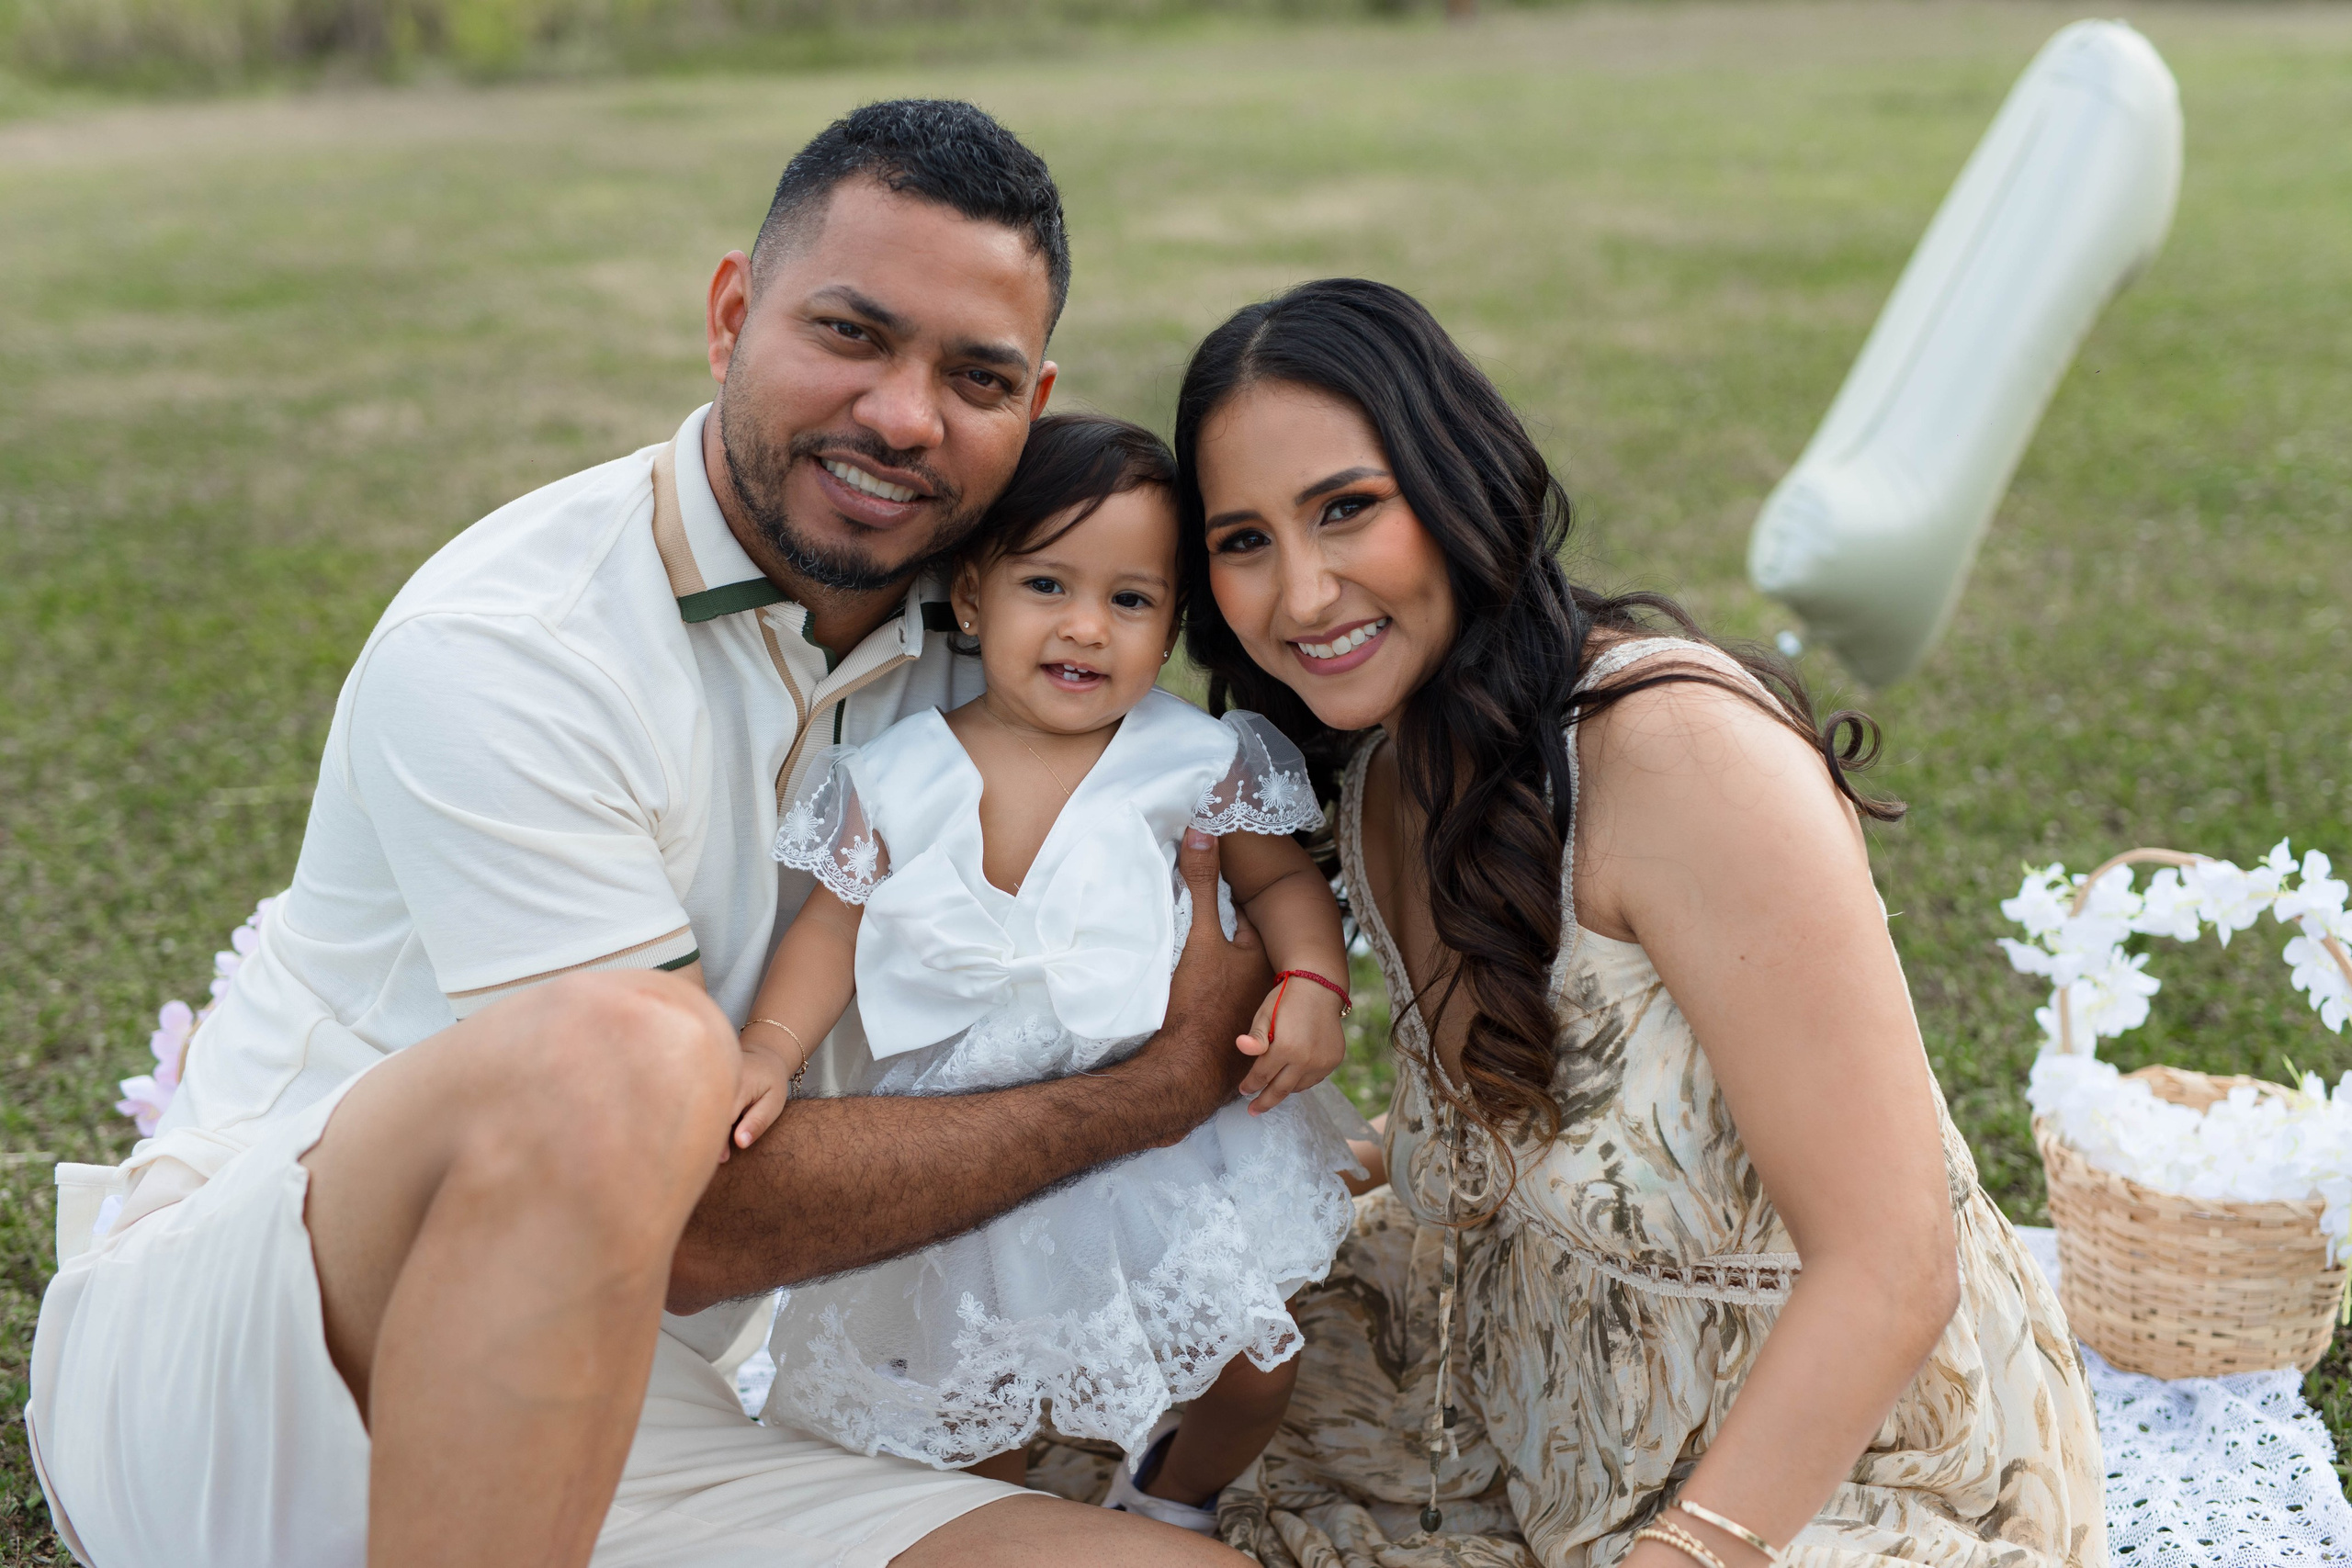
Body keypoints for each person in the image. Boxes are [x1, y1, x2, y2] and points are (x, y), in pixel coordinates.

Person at [27, 101, 1265, 1568]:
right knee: (636, 1055)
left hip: (645, 1408)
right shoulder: (514, 639)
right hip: (259, 1362)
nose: (905, 416)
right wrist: (1158, 1087)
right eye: (851, 335)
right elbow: (696, 1217)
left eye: (976, 376)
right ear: (732, 312)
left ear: (1033, 398)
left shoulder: (1024, 647)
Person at [1169, 278, 2106, 1568]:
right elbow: (1517, 1116)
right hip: (1520, 1395)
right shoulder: (1386, 773)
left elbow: (1891, 1267)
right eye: (1243, 540)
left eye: (1346, 509)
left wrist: (1684, 1549)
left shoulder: (1678, 750)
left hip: (1838, 1461)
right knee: (1089, 1422)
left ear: (1456, 486)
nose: (1304, 593)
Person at [738, 412, 1361, 1531]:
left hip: (1169, 1145)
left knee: (1252, 1368)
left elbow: (1275, 887)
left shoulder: (1188, 759)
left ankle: (1171, 1497)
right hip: (967, 1156)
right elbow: (830, 934)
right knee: (981, 1413)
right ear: (972, 598)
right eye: (1046, 587)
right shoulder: (895, 776)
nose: (1086, 628)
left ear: (1173, 620)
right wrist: (769, 1051)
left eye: (1130, 600)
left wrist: (1313, 982)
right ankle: (1001, 1534)